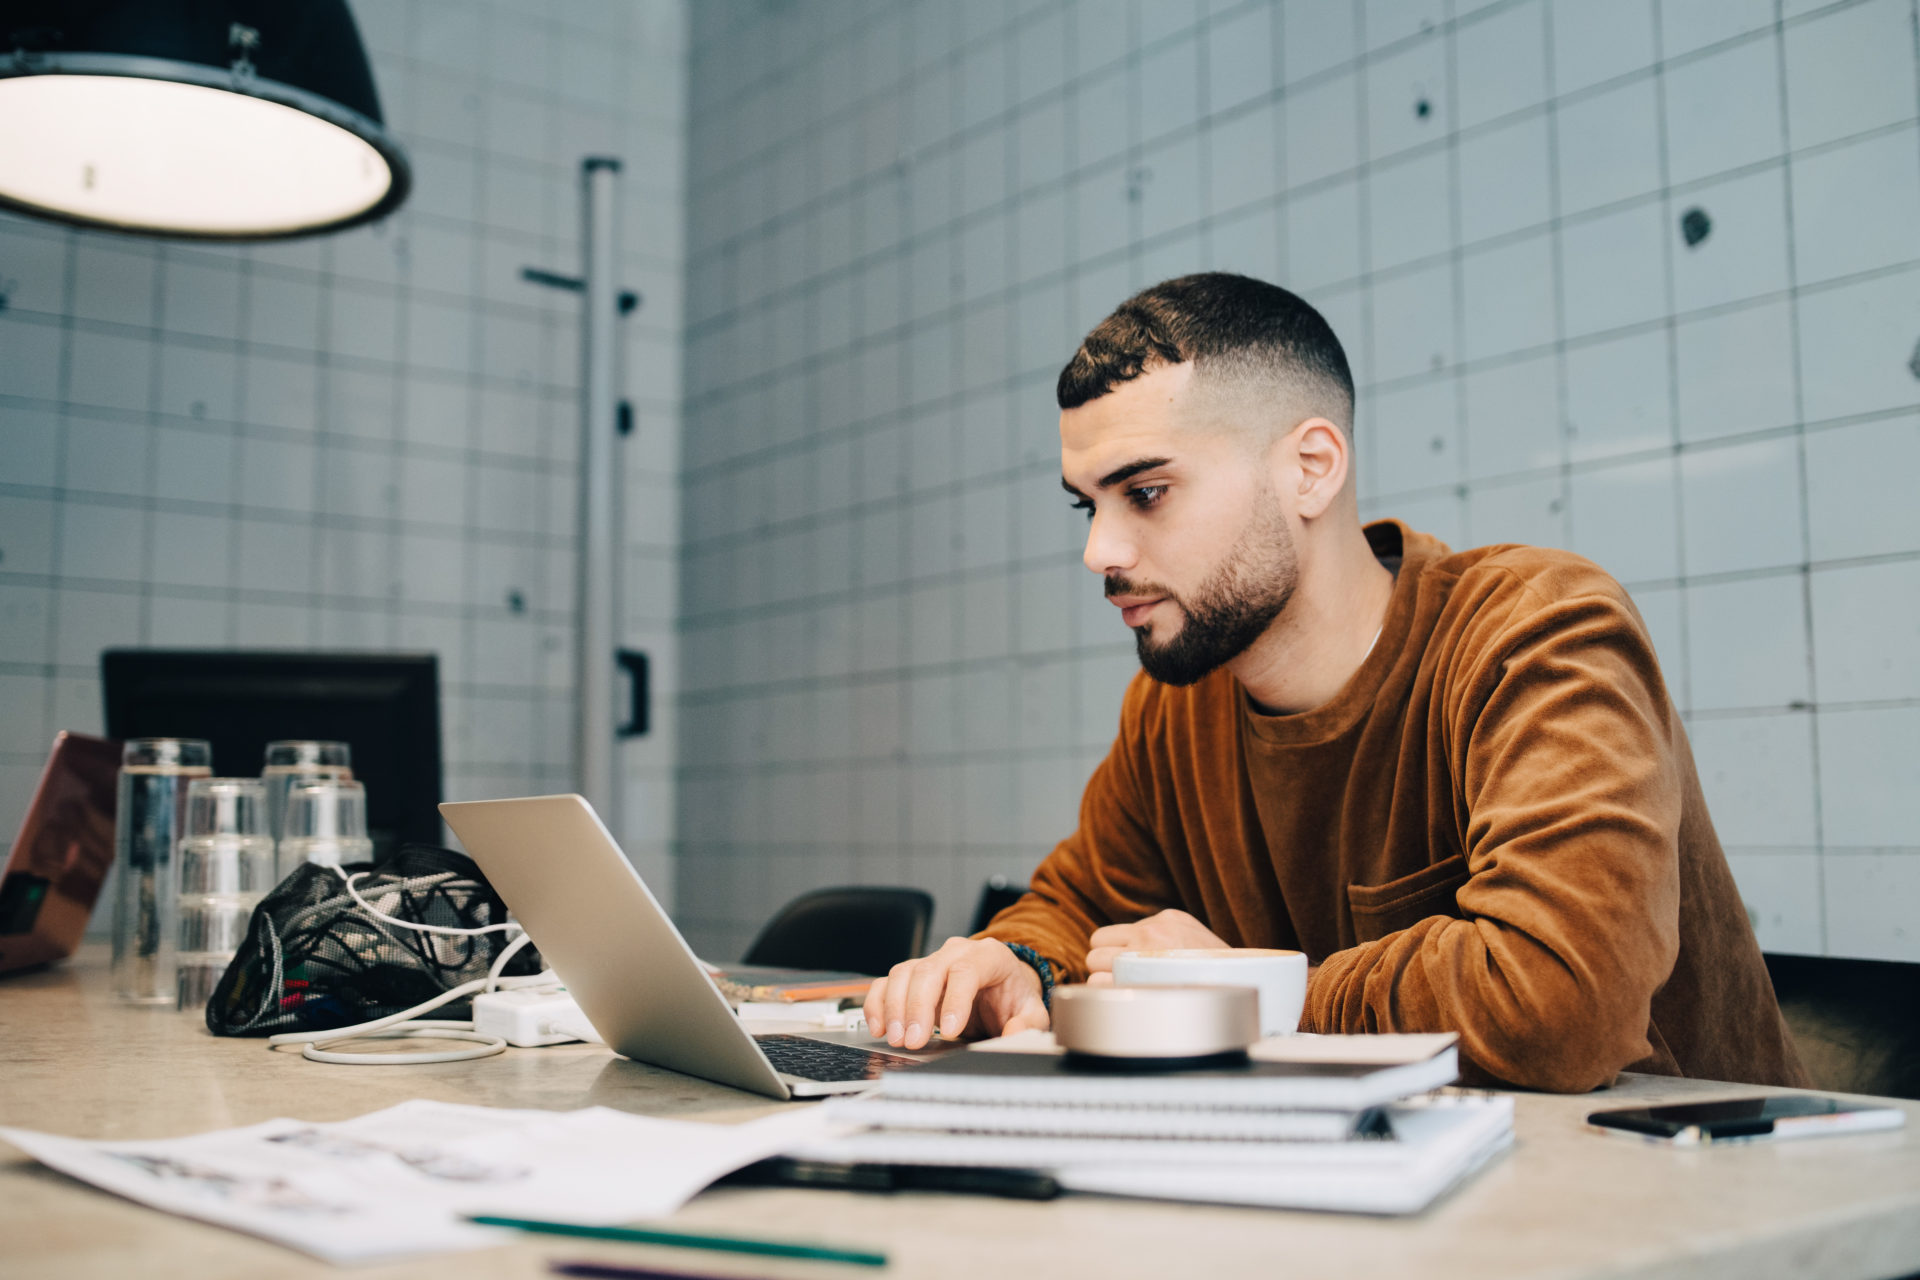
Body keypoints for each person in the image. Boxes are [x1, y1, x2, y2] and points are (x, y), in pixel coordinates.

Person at [864, 273, 1807, 1092]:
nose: (1099, 552)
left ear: (1311, 470)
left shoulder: (1535, 630)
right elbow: (1080, 903)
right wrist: (1014, 959)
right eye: (1089, 506)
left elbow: (1562, 994)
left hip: (1677, 1208)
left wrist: (1258, 992)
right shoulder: (1176, 700)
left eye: (1145, 493)